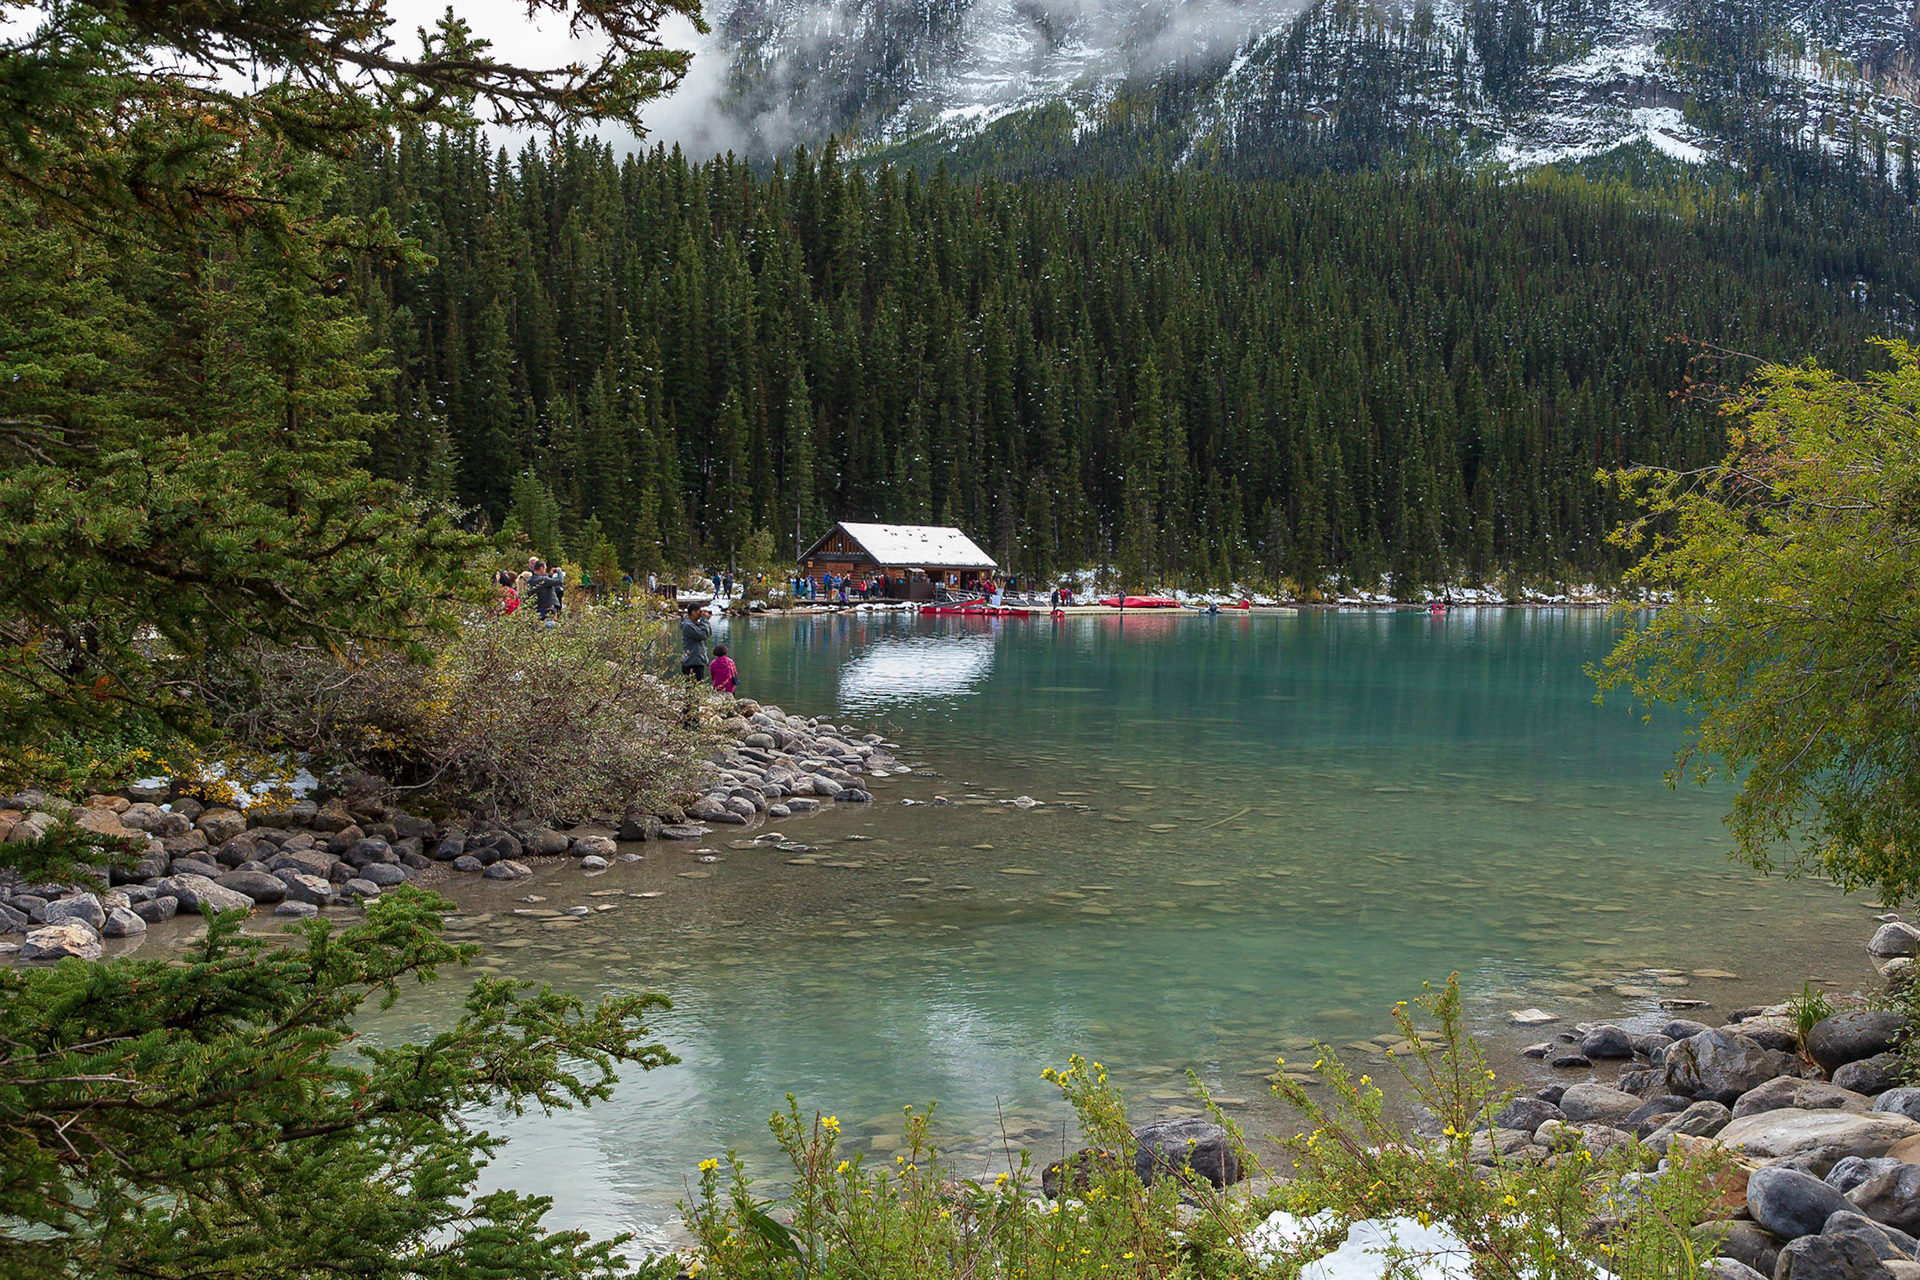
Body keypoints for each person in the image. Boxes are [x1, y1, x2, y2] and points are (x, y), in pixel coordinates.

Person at [680, 602, 712, 684]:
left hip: (697, 660)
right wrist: (704, 620)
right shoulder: (688, 625)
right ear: (693, 612)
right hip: (692, 662)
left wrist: (706, 621)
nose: (701, 614)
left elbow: (708, 633)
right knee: (693, 689)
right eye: (699, 612)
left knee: (697, 688)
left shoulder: (694, 624)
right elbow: (703, 635)